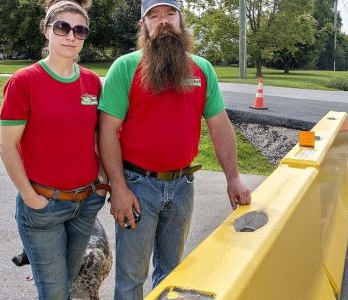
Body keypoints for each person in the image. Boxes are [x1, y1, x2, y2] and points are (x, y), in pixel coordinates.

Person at [97, 0, 252, 298]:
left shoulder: (202, 69)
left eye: (170, 14)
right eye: (154, 16)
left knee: (173, 272)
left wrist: (233, 177)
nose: (163, 21)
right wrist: (118, 186)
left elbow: (220, 125)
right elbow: (107, 131)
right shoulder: (126, 67)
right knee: (132, 277)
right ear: (144, 25)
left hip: (183, 185)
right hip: (137, 186)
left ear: (181, 21)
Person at [0, 0, 110, 298]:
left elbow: (99, 138)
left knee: (70, 282)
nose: (70, 35)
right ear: (46, 30)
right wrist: (30, 197)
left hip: (86, 203)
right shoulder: (23, 82)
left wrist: (102, 185)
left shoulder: (91, 82)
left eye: (79, 29)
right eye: (62, 27)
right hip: (43, 207)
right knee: (55, 292)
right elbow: (7, 147)